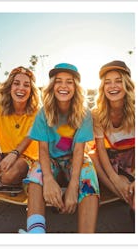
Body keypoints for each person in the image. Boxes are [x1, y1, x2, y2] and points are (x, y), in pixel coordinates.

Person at [20, 63, 100, 233]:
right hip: (52, 160)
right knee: (37, 170)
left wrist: (73, 187)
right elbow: (42, 149)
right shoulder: (44, 112)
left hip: (73, 160)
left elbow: (79, 150)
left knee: (88, 170)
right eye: (59, 81)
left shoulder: (83, 113)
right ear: (52, 86)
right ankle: (35, 232)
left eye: (69, 82)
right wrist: (48, 179)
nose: (64, 86)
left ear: (76, 87)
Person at [0, 66, 40, 187]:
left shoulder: (37, 113)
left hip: (27, 161)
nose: (21, 88)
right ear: (10, 87)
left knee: (16, 168)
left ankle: (2, 179)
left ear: (31, 90)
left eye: (26, 85)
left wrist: (14, 154)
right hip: (4, 158)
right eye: (16, 83)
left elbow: (29, 137)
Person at [89, 60, 135, 210]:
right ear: (103, 87)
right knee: (93, 155)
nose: (112, 86)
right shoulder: (97, 113)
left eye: (118, 81)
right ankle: (124, 195)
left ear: (127, 84)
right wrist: (115, 179)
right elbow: (101, 149)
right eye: (107, 82)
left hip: (134, 158)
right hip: (112, 161)